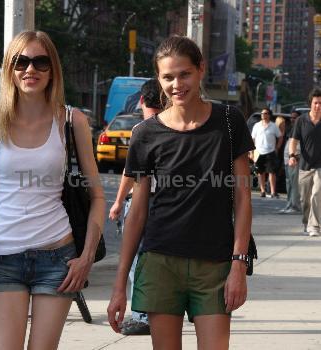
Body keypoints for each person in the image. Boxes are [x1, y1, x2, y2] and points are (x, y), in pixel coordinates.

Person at [107, 35, 253, 350]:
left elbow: (242, 199)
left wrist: (238, 264)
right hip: (160, 262)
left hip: (214, 264)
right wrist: (120, 285)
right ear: (159, 79)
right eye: (168, 77)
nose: (177, 84)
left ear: (200, 69)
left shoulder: (228, 121)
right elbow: (138, 212)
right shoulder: (145, 134)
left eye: (184, 74)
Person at [0, 30, 105, 349]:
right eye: (21, 62)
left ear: (52, 69)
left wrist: (86, 257)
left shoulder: (72, 121)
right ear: (10, 69)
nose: (30, 70)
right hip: (2, 257)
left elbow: (97, 196)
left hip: (57, 256)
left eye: (40, 62)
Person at [109, 78, 162, 335]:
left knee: (134, 261)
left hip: (142, 205)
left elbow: (131, 174)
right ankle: (154, 312)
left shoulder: (142, 129)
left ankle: (142, 315)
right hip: (166, 206)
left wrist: (118, 201)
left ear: (142, 100)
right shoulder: (171, 126)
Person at [289, 88, 321, 237]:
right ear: (311, 104)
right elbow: (293, 140)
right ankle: (306, 222)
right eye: (315, 103)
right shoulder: (301, 120)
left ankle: (314, 225)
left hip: (320, 166)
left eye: (320, 103)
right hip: (304, 166)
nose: (318, 106)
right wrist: (292, 155)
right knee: (305, 199)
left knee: (316, 194)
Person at [251, 108, 283, 198]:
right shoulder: (256, 125)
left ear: (269, 115)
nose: (263, 115)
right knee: (260, 173)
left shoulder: (273, 126)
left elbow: (280, 137)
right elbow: (252, 139)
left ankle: (273, 192)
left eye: (265, 113)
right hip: (259, 152)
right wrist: (251, 152)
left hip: (270, 151)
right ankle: (263, 191)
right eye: (262, 113)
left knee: (272, 172)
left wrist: (277, 147)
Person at [279, 110, 301, 214]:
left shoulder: (301, 128)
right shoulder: (291, 128)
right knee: (289, 184)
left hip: (295, 160)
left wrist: (296, 156)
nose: (292, 119)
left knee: (294, 184)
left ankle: (295, 206)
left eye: (295, 117)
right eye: (291, 117)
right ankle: (289, 205)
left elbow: (300, 146)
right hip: (287, 160)